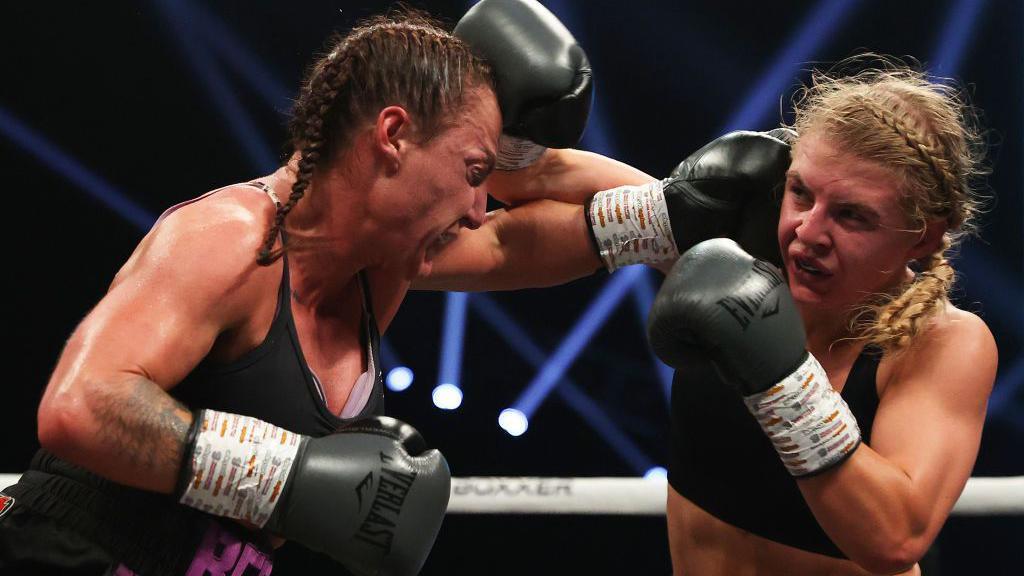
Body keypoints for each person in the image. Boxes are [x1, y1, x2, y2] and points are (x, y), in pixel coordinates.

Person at [0, 2, 610, 575]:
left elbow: (524, 236)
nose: (482, 210)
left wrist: (671, 211)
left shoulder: (384, 263)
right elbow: (78, 406)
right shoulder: (231, 237)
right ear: (393, 134)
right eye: (475, 173)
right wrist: (286, 477)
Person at [647, 59, 996, 575]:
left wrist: (776, 372)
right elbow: (543, 219)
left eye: (851, 214)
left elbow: (897, 537)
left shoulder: (940, 343)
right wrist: (514, 139)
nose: (808, 233)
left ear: (921, 237)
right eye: (801, 193)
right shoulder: (730, 252)